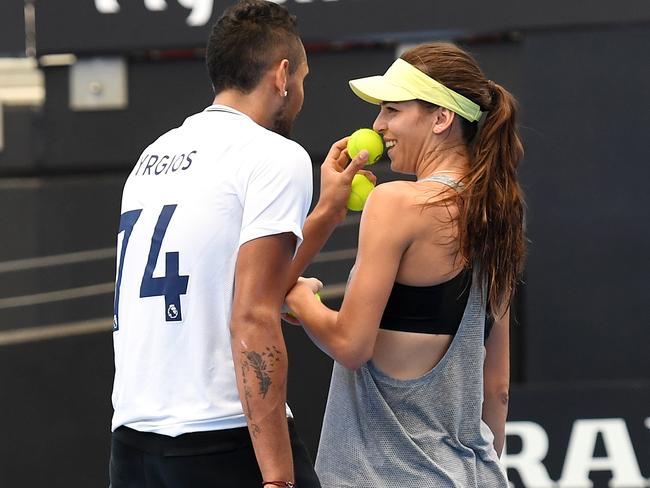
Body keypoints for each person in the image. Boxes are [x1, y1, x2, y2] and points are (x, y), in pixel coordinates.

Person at [108, 1, 368, 487]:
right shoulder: (275, 155)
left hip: (133, 446)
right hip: (221, 439)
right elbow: (253, 315)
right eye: (305, 79)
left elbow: (238, 290)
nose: (302, 94)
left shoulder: (154, 154)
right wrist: (276, 479)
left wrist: (327, 214)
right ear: (283, 75)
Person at [285, 42, 526, 487]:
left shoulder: (394, 202)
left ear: (441, 118)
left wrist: (300, 299)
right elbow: (498, 390)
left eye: (392, 109)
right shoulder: (498, 215)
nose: (378, 126)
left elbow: (350, 344)